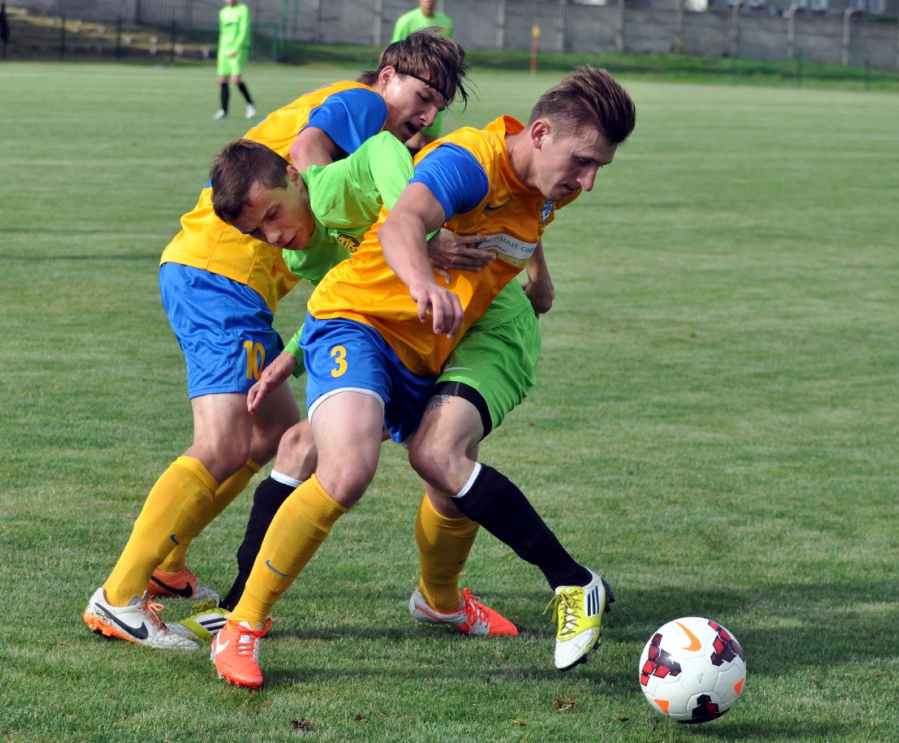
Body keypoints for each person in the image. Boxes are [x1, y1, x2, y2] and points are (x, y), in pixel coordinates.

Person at [209, 67, 636, 689]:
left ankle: (447, 599)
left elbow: (525, 217)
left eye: (599, 167)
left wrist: (536, 272)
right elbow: (407, 221)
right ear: (540, 133)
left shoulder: (553, 182)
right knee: (347, 468)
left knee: (445, 467)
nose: (588, 182)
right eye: (582, 162)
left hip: (427, 351)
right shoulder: (466, 161)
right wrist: (419, 283)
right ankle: (241, 625)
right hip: (358, 322)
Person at [82, 31, 469, 651]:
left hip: (233, 283)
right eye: (420, 95)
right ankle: (119, 595)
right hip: (221, 275)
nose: (424, 113)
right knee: (222, 442)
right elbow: (309, 147)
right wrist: (411, 233)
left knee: (273, 436)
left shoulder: (378, 139)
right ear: (388, 75)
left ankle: (165, 564)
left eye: (436, 105)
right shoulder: (363, 102)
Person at [392, 0, 453, 151]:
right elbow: (393, 57)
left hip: (436, 93)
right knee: (414, 142)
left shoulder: (446, 23)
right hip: (415, 93)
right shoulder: (406, 22)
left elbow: (449, 60)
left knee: (429, 145)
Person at [214, 0, 256, 120]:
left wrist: (236, 48)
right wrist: (222, 50)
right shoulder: (223, 12)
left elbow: (244, 31)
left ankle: (250, 104)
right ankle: (224, 110)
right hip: (224, 50)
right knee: (223, 79)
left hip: (238, 49)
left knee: (236, 79)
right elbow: (223, 33)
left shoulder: (243, 10)